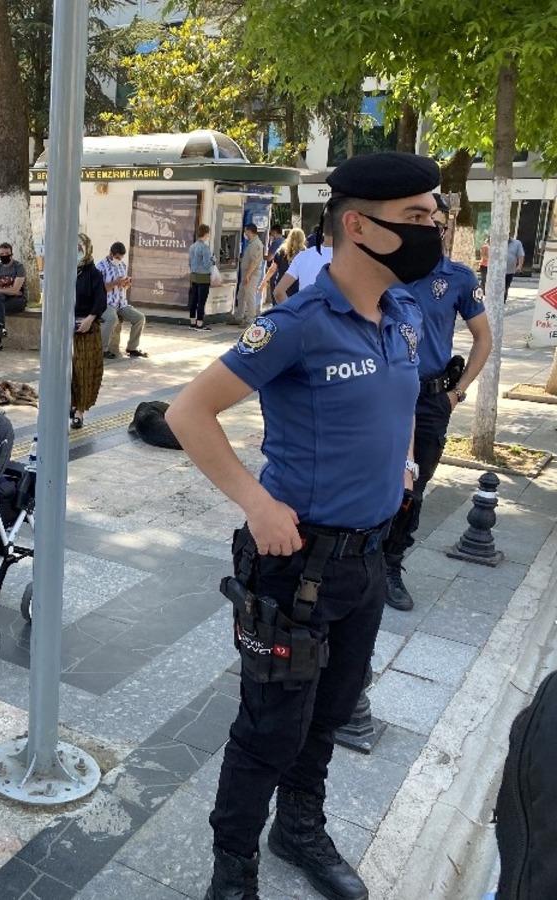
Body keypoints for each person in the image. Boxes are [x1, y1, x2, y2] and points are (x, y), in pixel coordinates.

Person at [166, 151, 441, 900]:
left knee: (329, 713)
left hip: (367, 560)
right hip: (296, 568)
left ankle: (300, 829)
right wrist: (257, 503)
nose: (435, 228)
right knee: (269, 730)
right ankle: (233, 868)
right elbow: (187, 413)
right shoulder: (298, 323)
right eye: (418, 217)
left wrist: (405, 463)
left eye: (434, 214)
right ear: (359, 225)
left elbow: (406, 400)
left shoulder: (405, 313)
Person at [382, 194, 491, 611]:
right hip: (382, 395)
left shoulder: (459, 278)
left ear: (444, 229)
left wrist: (457, 392)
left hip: (429, 400)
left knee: (414, 486)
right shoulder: (386, 270)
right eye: (419, 221)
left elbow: (483, 339)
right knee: (369, 475)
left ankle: (391, 564)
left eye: (436, 224)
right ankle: (362, 559)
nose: (428, 230)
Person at [71, 235, 107, 430]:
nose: (76, 250)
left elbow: (100, 300)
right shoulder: (67, 271)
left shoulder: (94, 273)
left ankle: (80, 411)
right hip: (66, 329)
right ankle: (69, 404)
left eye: (79, 247)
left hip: (87, 328)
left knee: (84, 371)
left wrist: (90, 318)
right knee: (68, 372)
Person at [97, 241, 146, 359]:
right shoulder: (100, 266)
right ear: (111, 253)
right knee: (112, 318)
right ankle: (102, 349)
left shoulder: (122, 265)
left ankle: (132, 348)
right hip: (106, 302)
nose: (119, 260)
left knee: (140, 318)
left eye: (121, 257)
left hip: (121, 303)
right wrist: (115, 283)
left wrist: (126, 284)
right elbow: (99, 289)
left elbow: (123, 286)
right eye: (117, 257)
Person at [274, 224, 333, 302]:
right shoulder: (349, 258)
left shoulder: (303, 255)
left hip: (303, 307)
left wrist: (293, 311)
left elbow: (278, 292)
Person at [262, 227, 307, 304]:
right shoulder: (306, 253)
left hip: (282, 285)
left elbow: (272, 269)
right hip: (298, 286)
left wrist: (264, 282)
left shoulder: (281, 251)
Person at [236, 223, 264, 324]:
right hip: (247, 273)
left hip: (251, 274)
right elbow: (249, 259)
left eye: (245, 231)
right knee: (242, 295)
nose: (245, 233)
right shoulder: (252, 243)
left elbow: (254, 262)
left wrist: (248, 275)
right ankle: (239, 317)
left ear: (249, 231)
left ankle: (251, 319)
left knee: (249, 295)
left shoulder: (256, 244)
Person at [188, 224, 214, 330]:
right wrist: (213, 260)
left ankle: (192, 322)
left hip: (193, 276)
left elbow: (190, 262)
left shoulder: (192, 246)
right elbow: (207, 264)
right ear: (206, 233)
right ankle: (199, 324)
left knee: (193, 300)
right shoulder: (205, 248)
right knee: (201, 301)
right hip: (203, 277)